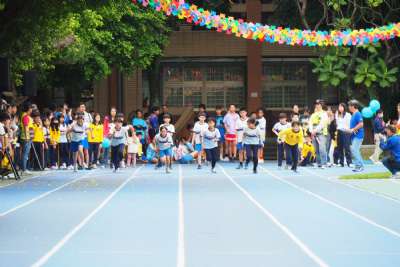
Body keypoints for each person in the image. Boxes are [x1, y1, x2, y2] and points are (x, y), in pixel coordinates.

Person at [309, 99, 329, 169]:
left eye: (318, 104)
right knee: (316, 149)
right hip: (314, 133)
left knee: (322, 148)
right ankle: (319, 163)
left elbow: (322, 124)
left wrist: (315, 130)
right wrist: (311, 131)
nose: (317, 106)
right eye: (316, 104)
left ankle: (324, 163)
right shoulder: (313, 114)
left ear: (321, 105)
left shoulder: (324, 114)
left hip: (322, 133)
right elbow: (310, 123)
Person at [348, 100, 364, 172]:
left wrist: (353, 129)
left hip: (358, 135)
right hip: (354, 135)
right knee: (355, 150)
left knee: (354, 150)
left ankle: (359, 166)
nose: (349, 107)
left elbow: (361, 124)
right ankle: (359, 165)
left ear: (353, 106)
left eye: (350, 106)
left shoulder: (358, 114)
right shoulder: (353, 114)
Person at [335, 103, 352, 167]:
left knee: (347, 147)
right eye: (339, 107)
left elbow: (349, 124)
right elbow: (337, 123)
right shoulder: (337, 114)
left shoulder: (348, 115)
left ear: (344, 107)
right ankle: (341, 162)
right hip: (339, 131)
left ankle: (349, 162)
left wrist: (348, 130)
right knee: (340, 147)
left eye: (341, 107)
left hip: (346, 132)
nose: (340, 108)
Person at [20, 103, 34, 174]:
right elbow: (26, 127)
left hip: (27, 137)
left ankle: (24, 168)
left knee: (26, 153)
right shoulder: (25, 117)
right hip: (26, 138)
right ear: (28, 109)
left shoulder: (27, 116)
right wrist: (27, 137)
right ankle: (24, 169)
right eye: (31, 108)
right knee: (25, 154)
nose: (31, 110)